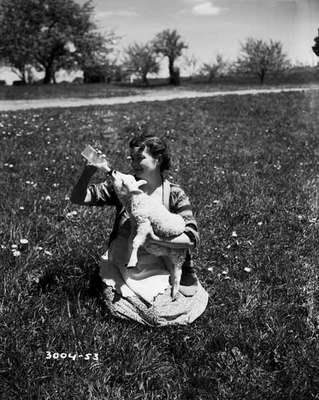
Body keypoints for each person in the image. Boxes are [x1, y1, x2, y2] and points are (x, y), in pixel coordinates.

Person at [70, 134, 209, 326]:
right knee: (134, 306)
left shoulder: (175, 194)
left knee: (165, 306)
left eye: (140, 158)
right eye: (132, 158)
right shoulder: (124, 187)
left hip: (161, 261)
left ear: (158, 159)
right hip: (125, 261)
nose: (134, 163)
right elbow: (79, 198)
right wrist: (87, 173)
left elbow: (191, 238)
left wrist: (153, 241)